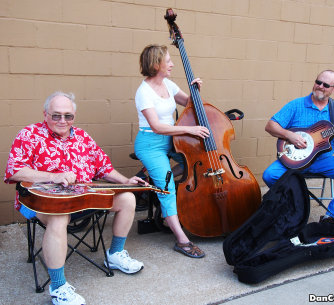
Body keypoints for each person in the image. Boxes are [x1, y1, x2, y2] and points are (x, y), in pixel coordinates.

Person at [4, 91, 147, 305]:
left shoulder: (82, 136)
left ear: (74, 116)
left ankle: (116, 254)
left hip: (83, 198)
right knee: (59, 217)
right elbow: (14, 171)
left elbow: (103, 167)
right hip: (42, 202)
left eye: (68, 116)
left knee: (127, 198)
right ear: (45, 115)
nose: (63, 121)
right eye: (56, 115)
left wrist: (126, 181)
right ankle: (58, 287)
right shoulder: (29, 135)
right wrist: (54, 176)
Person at [134, 44, 209, 258]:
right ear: (156, 64)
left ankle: (151, 179)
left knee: (197, 162)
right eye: (168, 61)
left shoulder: (168, 83)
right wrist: (189, 129)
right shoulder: (144, 92)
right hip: (150, 143)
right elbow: (157, 126)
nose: (172, 64)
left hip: (172, 140)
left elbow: (189, 103)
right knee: (168, 188)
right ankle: (182, 241)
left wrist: (196, 90)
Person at [262, 70, 334, 223]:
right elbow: (270, 126)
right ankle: (295, 204)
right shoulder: (296, 105)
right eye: (318, 82)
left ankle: (332, 218)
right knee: (270, 174)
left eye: (326, 85)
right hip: (294, 161)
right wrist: (289, 135)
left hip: (322, 161)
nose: (320, 86)